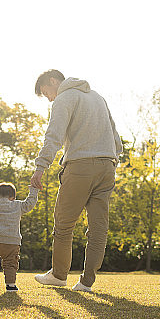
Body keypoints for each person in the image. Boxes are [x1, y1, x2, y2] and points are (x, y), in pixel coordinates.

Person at [30, 69, 122, 292]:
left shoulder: (64, 98)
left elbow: (54, 136)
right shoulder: (97, 97)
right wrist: (114, 159)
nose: (49, 98)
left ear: (53, 81)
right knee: (98, 227)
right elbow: (114, 134)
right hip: (107, 166)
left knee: (63, 225)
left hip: (80, 166)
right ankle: (86, 282)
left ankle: (59, 276)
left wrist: (40, 168)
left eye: (46, 92)